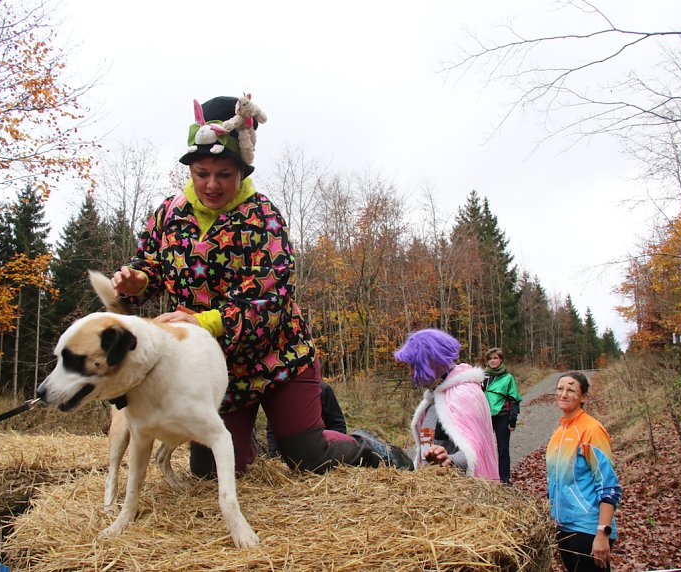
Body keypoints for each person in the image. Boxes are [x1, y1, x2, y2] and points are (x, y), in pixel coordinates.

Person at [111, 94, 412, 475]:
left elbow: (268, 297)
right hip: (218, 368)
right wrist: (137, 280)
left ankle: (372, 448)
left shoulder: (263, 217)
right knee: (212, 473)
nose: (212, 185)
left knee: (306, 456)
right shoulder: (169, 214)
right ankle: (245, 449)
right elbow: (151, 263)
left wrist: (201, 322)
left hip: (279, 355)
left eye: (224, 174)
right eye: (202, 173)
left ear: (241, 171)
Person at [393, 329, 500, 480]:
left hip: (458, 488)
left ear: (431, 361)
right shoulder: (436, 395)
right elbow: (427, 444)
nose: (411, 373)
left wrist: (450, 460)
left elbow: (476, 450)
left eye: (414, 365)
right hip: (433, 486)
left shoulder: (464, 394)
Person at [547, 371, 622, 572]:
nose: (564, 394)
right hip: (564, 526)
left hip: (588, 528)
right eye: (560, 389)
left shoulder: (591, 430)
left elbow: (608, 486)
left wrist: (602, 533)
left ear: (583, 397)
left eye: (571, 390)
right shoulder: (559, 433)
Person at [265, 380, 346, 457]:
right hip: (289, 455)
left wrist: (335, 452)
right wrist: (274, 456)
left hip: (321, 452)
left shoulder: (323, 389)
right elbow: (273, 429)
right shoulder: (281, 392)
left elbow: (338, 424)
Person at [482, 347, 522, 484]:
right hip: (485, 417)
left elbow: (514, 399)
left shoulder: (508, 378)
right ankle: (487, 476)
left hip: (502, 416)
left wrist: (513, 420)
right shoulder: (483, 377)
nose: (492, 361)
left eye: (495, 358)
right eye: (490, 359)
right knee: (484, 447)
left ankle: (504, 479)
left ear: (501, 360)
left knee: (503, 449)